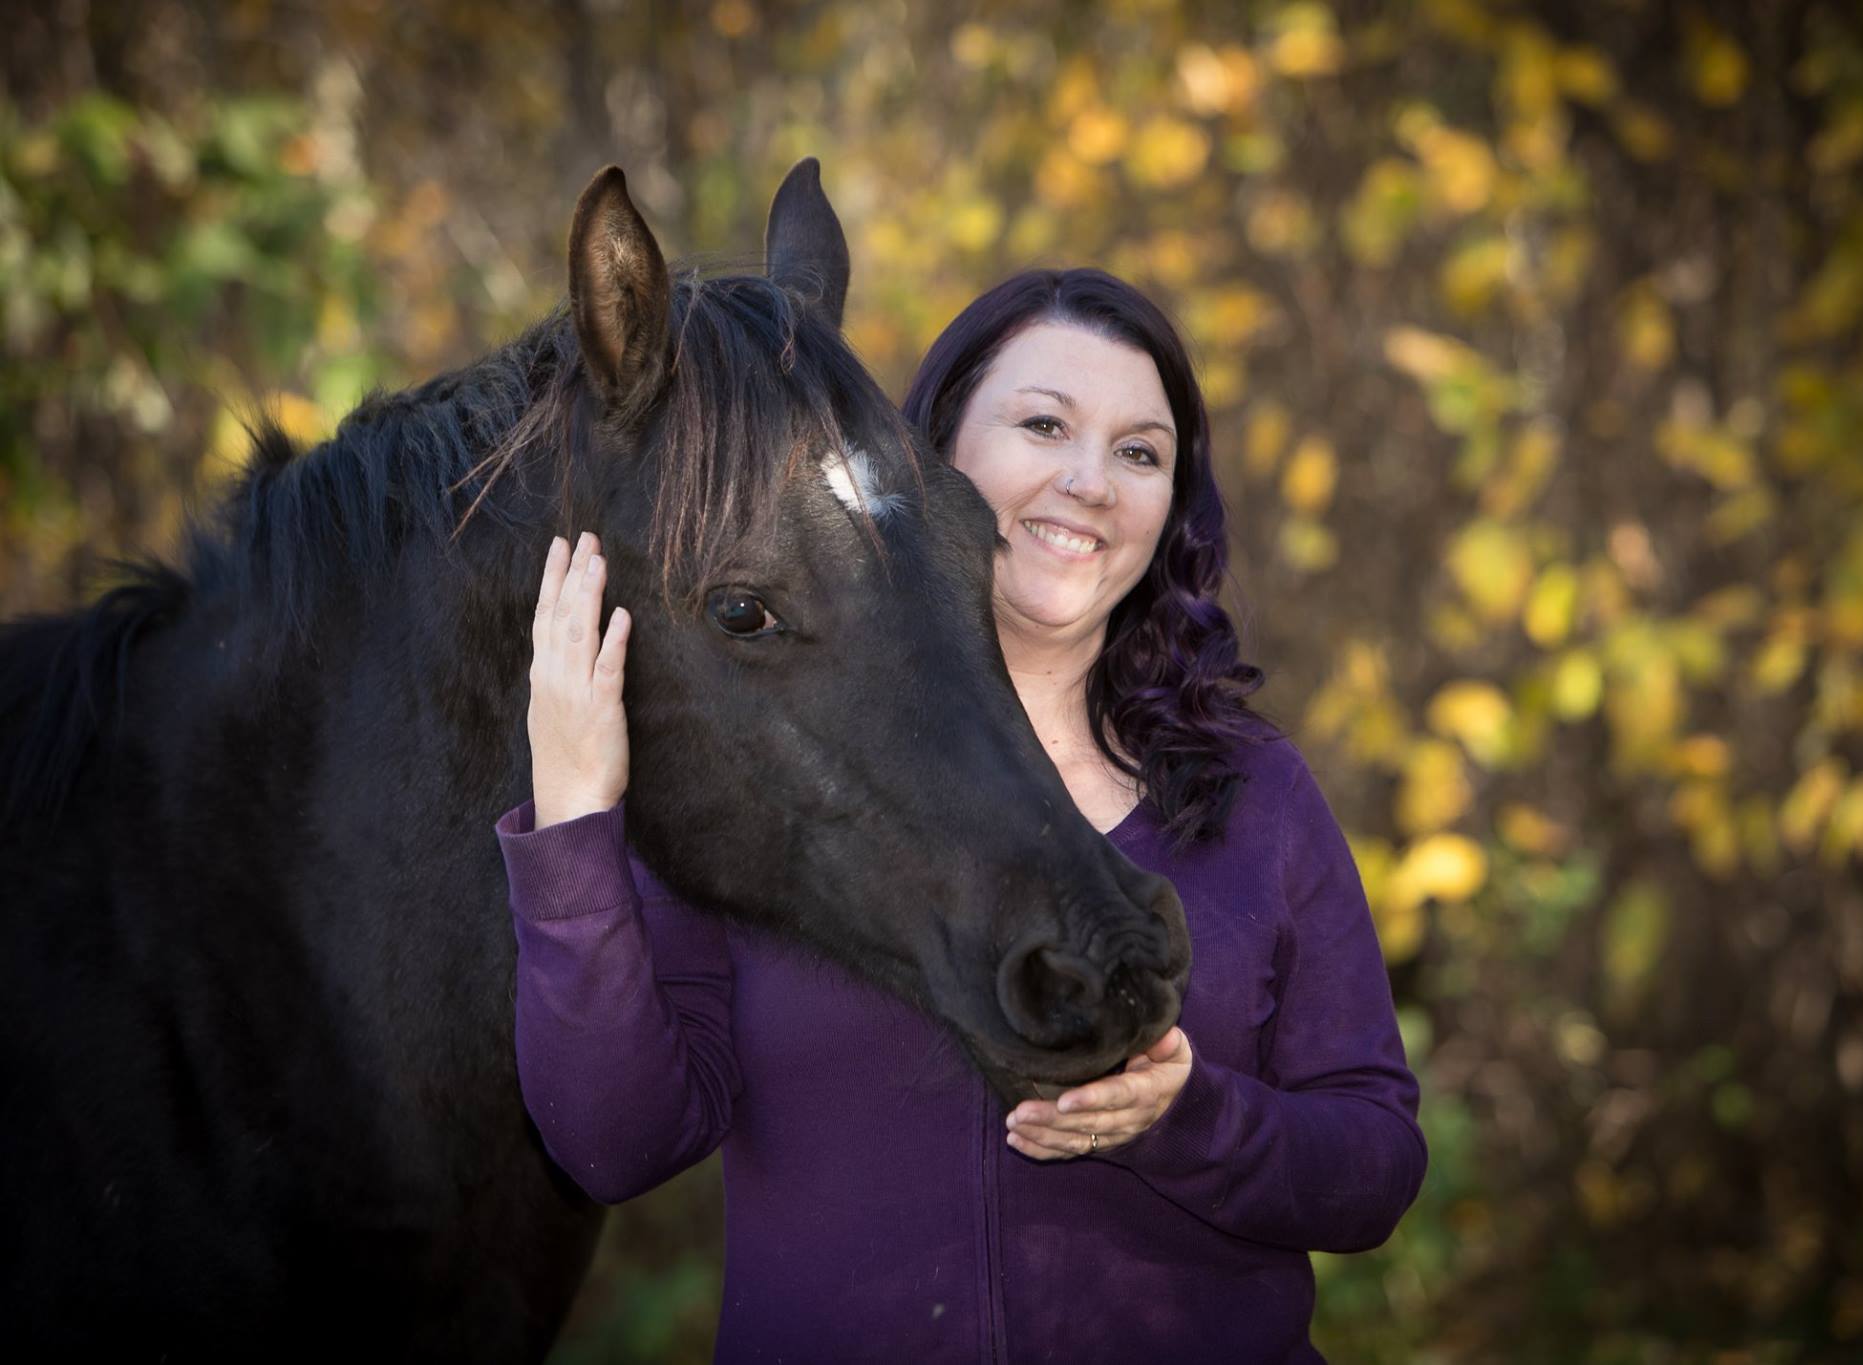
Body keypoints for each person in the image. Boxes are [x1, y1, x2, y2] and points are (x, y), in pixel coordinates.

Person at [498, 268, 1426, 1361]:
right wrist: (571, 823)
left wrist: (1187, 1122)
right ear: (933, 446)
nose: (1089, 481)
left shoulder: (1249, 795)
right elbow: (612, 1143)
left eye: (1139, 452)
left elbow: (1370, 1166)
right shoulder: (769, 767)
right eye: (1043, 424)